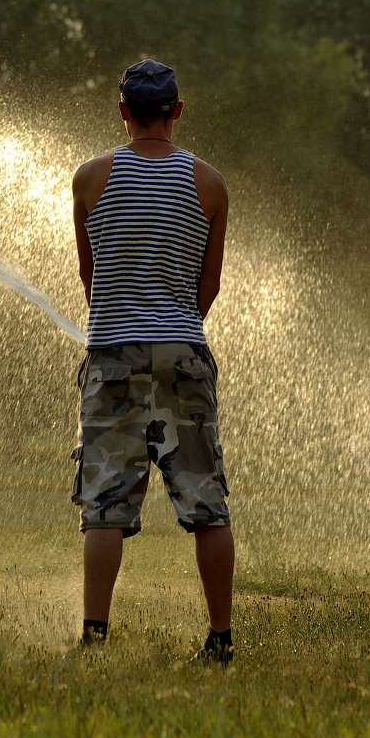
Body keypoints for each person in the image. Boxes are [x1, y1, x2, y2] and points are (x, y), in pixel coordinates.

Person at [71, 59, 234, 663]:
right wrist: (174, 330)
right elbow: (207, 287)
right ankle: (220, 638)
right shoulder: (209, 184)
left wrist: (121, 327)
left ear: (122, 112)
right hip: (185, 349)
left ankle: (94, 637)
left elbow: (92, 280)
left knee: (104, 505)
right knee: (206, 501)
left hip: (111, 352)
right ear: (177, 110)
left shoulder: (90, 180)